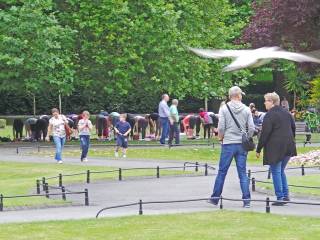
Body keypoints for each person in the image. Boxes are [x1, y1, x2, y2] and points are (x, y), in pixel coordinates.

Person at [209, 86, 254, 208]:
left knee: (222, 172)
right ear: (238, 95)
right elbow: (251, 128)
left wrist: (221, 137)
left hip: (228, 143)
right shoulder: (246, 109)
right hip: (241, 144)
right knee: (242, 173)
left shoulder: (224, 108)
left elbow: (222, 127)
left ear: (230, 96)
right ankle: (246, 200)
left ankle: (215, 198)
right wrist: (246, 137)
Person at [256, 92, 297, 206]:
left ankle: (280, 197)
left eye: (266, 101)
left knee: (276, 171)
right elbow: (293, 129)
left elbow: (265, 134)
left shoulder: (270, 115)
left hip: (275, 147)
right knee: (280, 171)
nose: (264, 103)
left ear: (272, 102)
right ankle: (285, 194)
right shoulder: (287, 113)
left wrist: (258, 149)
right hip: (288, 145)